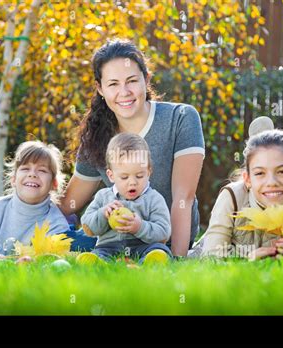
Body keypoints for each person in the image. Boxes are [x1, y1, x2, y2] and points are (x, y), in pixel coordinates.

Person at [60, 38, 205, 257]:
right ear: (100, 88)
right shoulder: (97, 135)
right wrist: (22, 200)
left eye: (131, 81)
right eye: (113, 84)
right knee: (63, 242)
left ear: (146, 80)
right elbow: (68, 203)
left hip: (160, 239)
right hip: (113, 241)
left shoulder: (181, 118)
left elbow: (183, 197)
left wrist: (176, 259)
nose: (124, 92)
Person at [189, 128, 283, 260]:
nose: (271, 182)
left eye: (282, 171)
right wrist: (249, 260)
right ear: (248, 179)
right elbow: (211, 257)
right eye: (260, 173)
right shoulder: (233, 197)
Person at [76, 133, 172, 264]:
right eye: (124, 177)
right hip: (110, 247)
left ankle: (147, 263)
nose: (132, 182)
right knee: (100, 253)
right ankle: (99, 263)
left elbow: (163, 233)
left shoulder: (154, 199)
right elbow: (88, 227)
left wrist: (140, 227)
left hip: (142, 247)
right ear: (111, 175)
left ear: (148, 171)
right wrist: (103, 214)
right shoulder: (103, 197)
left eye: (139, 176)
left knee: (160, 249)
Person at [0, 140, 69, 257]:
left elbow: (45, 263)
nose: (32, 174)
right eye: (25, 169)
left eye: (42, 170)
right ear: (13, 179)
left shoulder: (57, 224)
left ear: (54, 184)